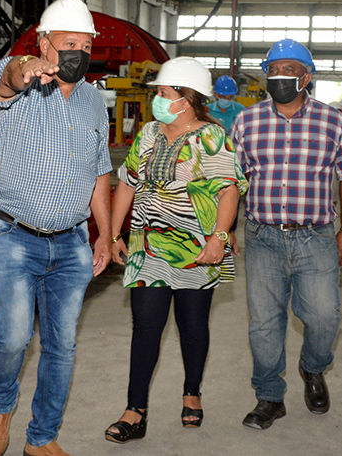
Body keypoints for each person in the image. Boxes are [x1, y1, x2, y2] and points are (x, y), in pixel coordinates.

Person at [0, 0, 111, 456]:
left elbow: (100, 176)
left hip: (72, 242)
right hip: (14, 236)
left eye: (85, 44)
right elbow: (9, 78)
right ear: (43, 43)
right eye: (68, 43)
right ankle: (0, 406)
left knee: (62, 347)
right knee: (13, 337)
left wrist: (107, 235)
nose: (78, 51)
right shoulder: (18, 80)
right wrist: (25, 66)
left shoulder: (96, 102)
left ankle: (42, 437)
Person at [104, 57, 248, 443]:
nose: (159, 100)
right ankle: (135, 410)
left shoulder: (213, 137)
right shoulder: (149, 133)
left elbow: (229, 189)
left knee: (192, 325)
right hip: (148, 247)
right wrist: (115, 233)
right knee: (146, 325)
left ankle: (192, 392)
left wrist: (220, 236)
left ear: (186, 99)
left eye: (166, 94)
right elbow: (128, 182)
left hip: (196, 246)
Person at [231, 38, 342, 430]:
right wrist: (223, 228)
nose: (280, 76)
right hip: (263, 236)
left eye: (290, 70)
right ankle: (269, 397)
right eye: (274, 69)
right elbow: (231, 180)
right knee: (263, 323)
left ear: (307, 77)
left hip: (316, 236)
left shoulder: (332, 120)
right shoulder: (246, 121)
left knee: (324, 316)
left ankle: (313, 368)